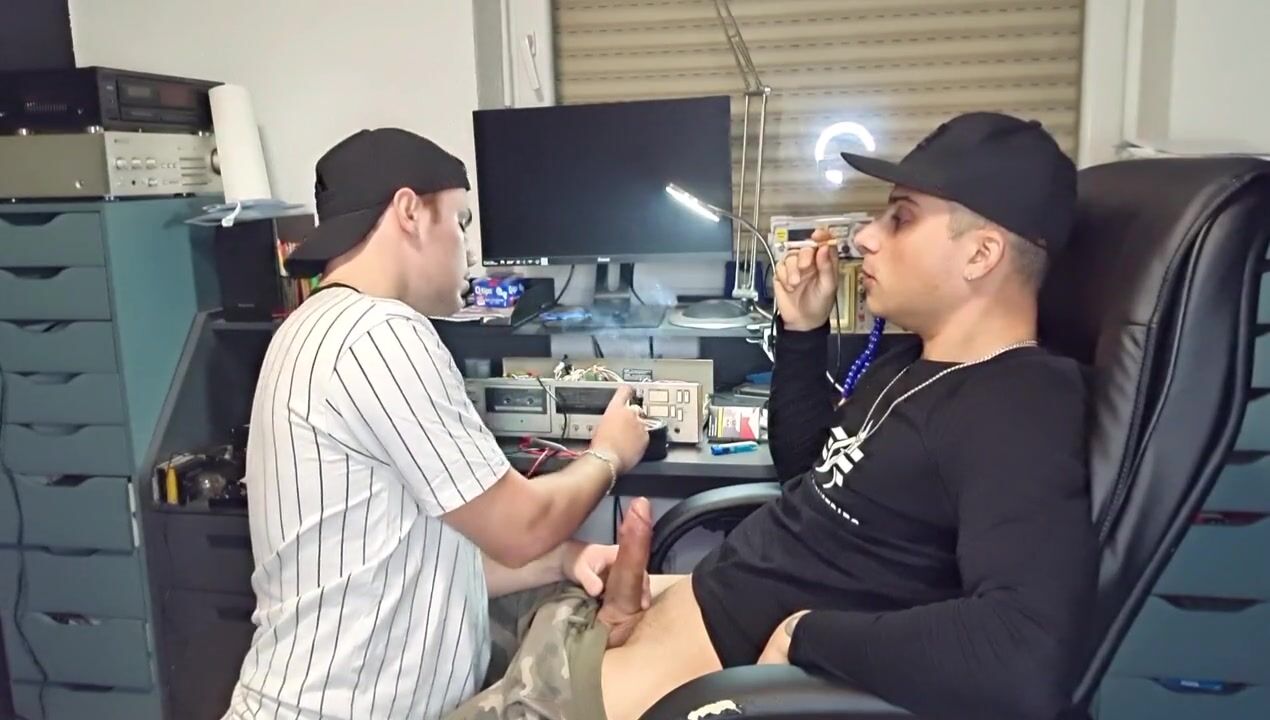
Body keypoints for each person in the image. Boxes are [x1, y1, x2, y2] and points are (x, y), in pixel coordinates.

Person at [452, 112, 1099, 720]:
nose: (865, 237)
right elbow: (808, 472)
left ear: (981, 255)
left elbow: (1024, 648)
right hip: (629, 624)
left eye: (900, 218)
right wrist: (803, 330)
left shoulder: (1019, 406)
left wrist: (804, 635)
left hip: (617, 696)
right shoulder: (915, 363)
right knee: (455, 615)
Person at [222, 128, 651, 720]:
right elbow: (520, 526)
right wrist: (609, 454)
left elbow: (408, 563)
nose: (468, 251)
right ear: (410, 212)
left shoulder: (307, 328)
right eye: (460, 221)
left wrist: (562, 560)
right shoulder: (381, 333)